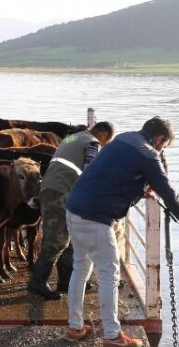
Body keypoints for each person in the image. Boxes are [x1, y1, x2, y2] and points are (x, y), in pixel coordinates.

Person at [63, 117, 179, 347]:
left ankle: (75, 327)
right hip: (96, 217)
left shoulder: (124, 138)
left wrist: (139, 188)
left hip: (74, 207)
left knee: (80, 268)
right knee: (110, 274)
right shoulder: (148, 154)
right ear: (159, 139)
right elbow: (166, 189)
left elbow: (117, 175)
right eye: (164, 146)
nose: (162, 150)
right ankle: (113, 336)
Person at [27, 121, 115, 300]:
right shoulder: (92, 143)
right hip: (60, 192)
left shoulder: (73, 137)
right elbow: (91, 171)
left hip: (52, 188)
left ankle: (66, 282)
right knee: (56, 240)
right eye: (107, 142)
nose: (103, 146)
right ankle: (37, 282)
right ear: (104, 135)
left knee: (69, 237)